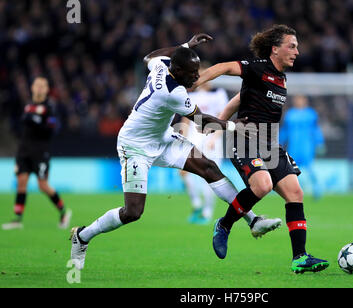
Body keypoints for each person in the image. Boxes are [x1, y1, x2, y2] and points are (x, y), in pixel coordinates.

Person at [69, 34, 282, 270]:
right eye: (191, 73)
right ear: (178, 70)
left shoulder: (161, 65)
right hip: (135, 146)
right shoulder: (173, 93)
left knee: (209, 168)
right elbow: (202, 122)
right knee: (133, 211)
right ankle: (83, 236)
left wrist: (185, 46)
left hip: (162, 138)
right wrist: (235, 126)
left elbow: (148, 57)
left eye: (197, 71)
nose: (196, 77)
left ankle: (252, 220)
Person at [194, 25, 329, 273]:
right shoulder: (257, 67)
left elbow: (241, 98)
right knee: (262, 185)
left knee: (295, 193)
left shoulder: (281, 78)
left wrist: (221, 118)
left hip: (269, 143)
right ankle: (224, 225)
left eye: (297, 46)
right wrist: (197, 81)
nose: (297, 51)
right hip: (244, 139)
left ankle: (300, 257)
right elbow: (224, 67)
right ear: (275, 49)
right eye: (292, 46)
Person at [2, 77, 71, 230]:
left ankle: (63, 212)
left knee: (43, 186)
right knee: (21, 182)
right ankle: (17, 219)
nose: (39, 88)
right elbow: (24, 132)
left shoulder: (49, 107)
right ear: (32, 88)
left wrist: (38, 121)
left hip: (40, 152)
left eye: (42, 86)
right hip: (24, 151)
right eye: (37, 85)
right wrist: (18, 156)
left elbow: (53, 128)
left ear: (46, 90)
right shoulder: (28, 106)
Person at [178, 68, 229, 224]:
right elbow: (186, 121)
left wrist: (215, 138)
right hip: (194, 139)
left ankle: (207, 213)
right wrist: (181, 139)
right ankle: (197, 204)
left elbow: (223, 118)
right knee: (183, 172)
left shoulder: (218, 96)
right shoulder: (190, 96)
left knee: (210, 177)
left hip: (211, 141)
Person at [280, 95, 326, 200]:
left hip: (306, 146)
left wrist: (320, 142)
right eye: (297, 99)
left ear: (305, 101)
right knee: (293, 169)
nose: (299, 101)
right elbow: (285, 130)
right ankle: (295, 191)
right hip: (294, 146)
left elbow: (316, 129)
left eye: (301, 99)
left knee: (309, 168)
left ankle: (317, 188)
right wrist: (279, 141)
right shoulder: (290, 114)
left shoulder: (311, 114)